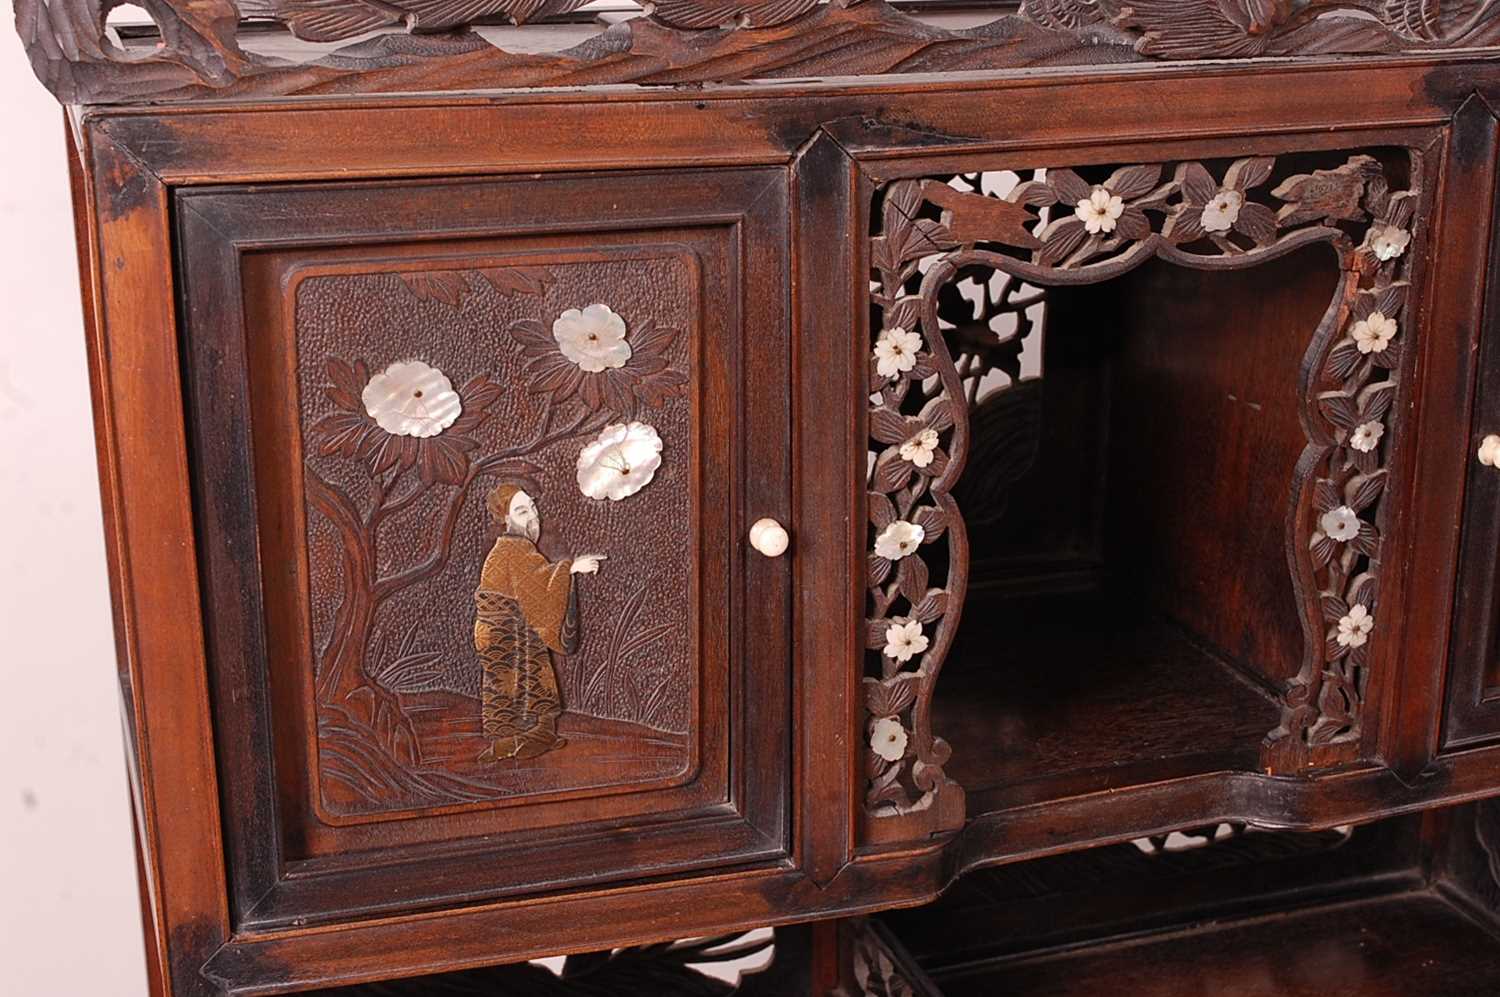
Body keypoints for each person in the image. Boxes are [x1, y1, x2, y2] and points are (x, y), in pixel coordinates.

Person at [472, 483, 604, 761]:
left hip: (499, 630)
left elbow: (532, 582)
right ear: (506, 519)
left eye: (533, 507)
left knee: (515, 685)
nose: (533, 516)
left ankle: (520, 743)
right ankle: (518, 743)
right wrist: (571, 567)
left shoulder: (507, 548)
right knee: (525, 683)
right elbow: (537, 585)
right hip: (507, 632)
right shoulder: (514, 548)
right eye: (522, 511)